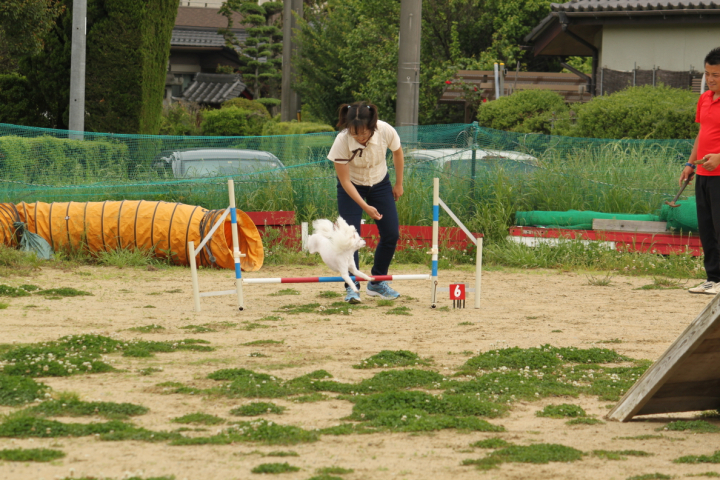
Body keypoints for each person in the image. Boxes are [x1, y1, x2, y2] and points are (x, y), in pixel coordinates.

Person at [327, 101, 404, 304]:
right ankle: (352, 288)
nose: (359, 137)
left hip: (380, 183)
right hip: (351, 186)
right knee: (349, 238)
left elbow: (397, 152)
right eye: (354, 134)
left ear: (372, 125)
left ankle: (377, 282)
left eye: (363, 133)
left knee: (391, 233)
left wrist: (399, 184)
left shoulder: (385, 130)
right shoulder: (342, 141)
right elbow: (345, 181)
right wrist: (365, 207)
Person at [682, 47, 720, 294]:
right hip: (703, 175)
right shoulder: (705, 98)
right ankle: (713, 279)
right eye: (707, 73)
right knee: (707, 229)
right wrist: (689, 164)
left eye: (716, 75)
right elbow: (702, 133)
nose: (710, 79)